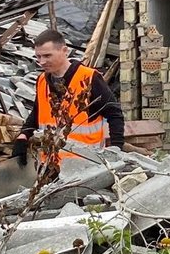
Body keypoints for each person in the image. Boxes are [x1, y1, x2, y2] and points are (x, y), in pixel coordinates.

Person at [16, 28, 124, 167]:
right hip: (50, 166)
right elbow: (37, 114)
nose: (42, 62)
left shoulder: (89, 78)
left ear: (64, 51)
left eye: (47, 56)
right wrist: (23, 135)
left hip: (86, 166)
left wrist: (116, 150)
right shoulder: (42, 81)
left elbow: (114, 114)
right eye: (38, 57)